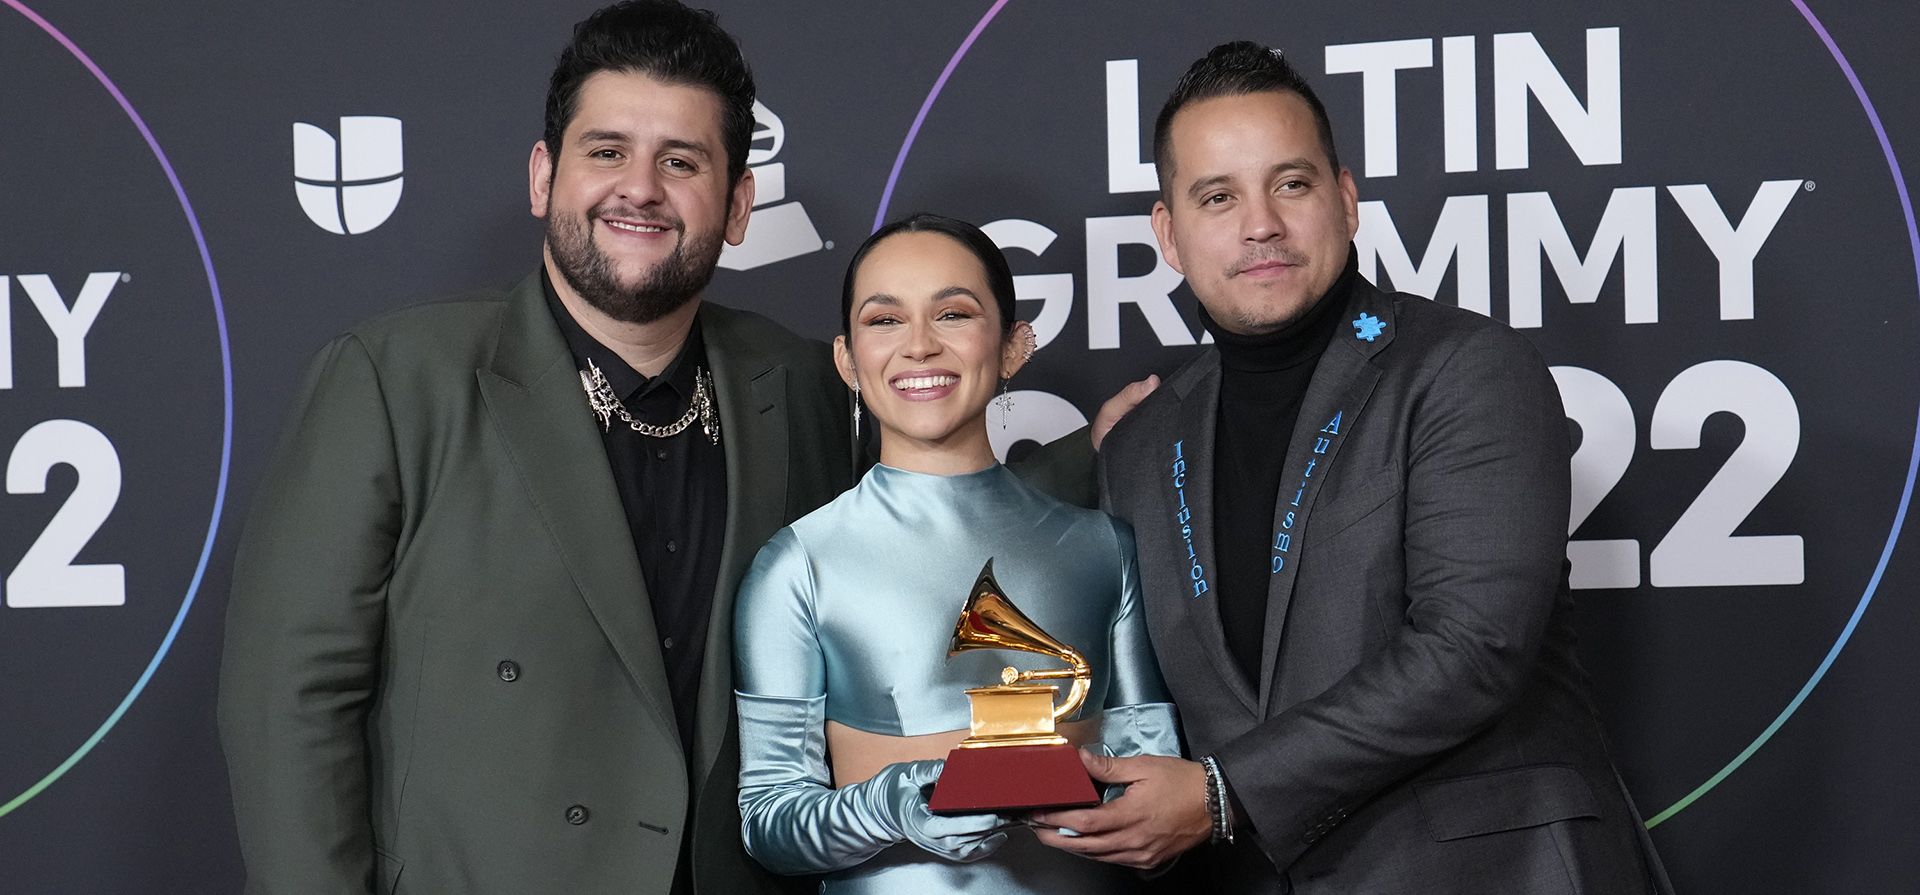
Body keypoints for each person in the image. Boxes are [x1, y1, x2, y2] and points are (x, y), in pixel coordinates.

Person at [216, 5, 1132, 893]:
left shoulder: (801, 379)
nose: (641, 188)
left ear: (737, 205)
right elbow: (289, 701)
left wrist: (1092, 454)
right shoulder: (392, 378)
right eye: (606, 151)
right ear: (544, 176)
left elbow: (928, 529)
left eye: (681, 161)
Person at [1032, 42, 1675, 894]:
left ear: (1345, 199)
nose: (1260, 222)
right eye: (1217, 196)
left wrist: (1227, 792)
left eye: (1291, 184)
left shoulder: (1467, 368)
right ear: (1169, 234)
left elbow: (1472, 645)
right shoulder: (1143, 443)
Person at [730, 214, 1181, 893]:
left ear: (1013, 346)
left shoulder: (1105, 548)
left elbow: (1157, 790)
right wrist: (894, 803)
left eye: (954, 313)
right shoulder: (797, 566)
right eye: (884, 321)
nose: (918, 345)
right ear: (847, 358)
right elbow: (769, 821)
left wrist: (1119, 807)